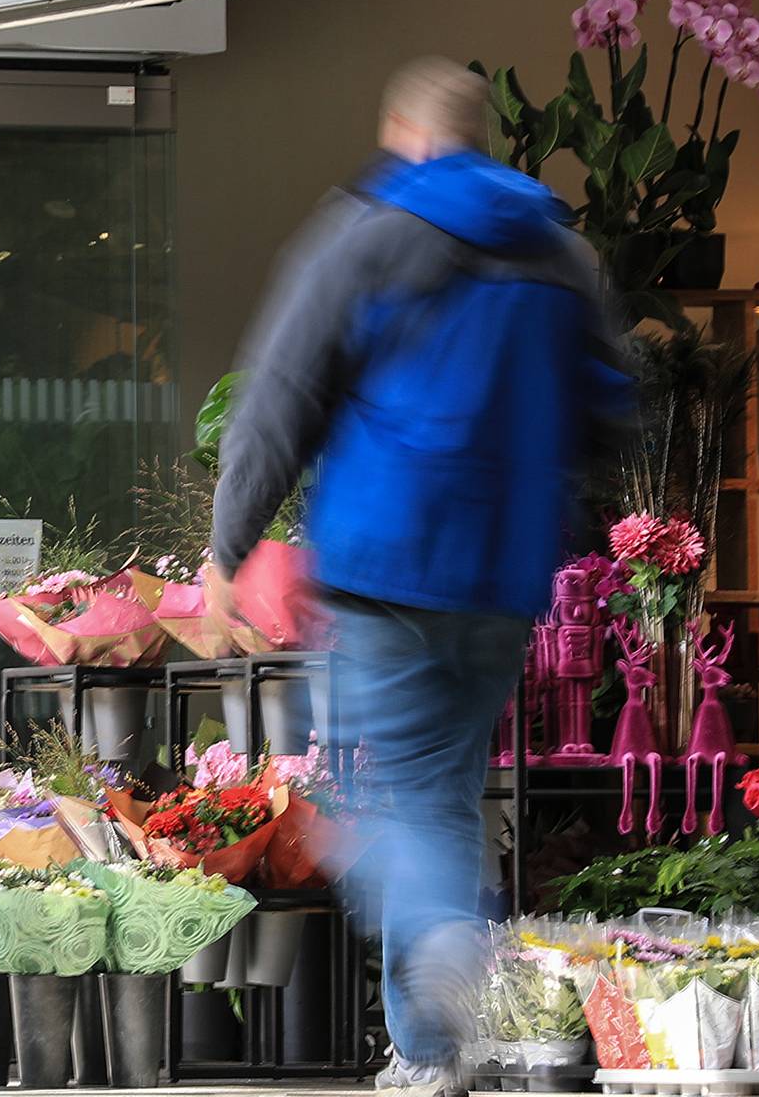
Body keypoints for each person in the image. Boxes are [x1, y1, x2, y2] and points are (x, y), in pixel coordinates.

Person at [208, 58, 631, 1097]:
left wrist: (230, 548)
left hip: (386, 562)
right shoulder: (562, 251)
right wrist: (553, 520)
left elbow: (282, 394)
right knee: (438, 795)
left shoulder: (365, 228)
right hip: (501, 577)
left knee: (380, 805)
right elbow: (613, 405)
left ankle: (444, 950)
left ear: (405, 128)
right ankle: (430, 1050)